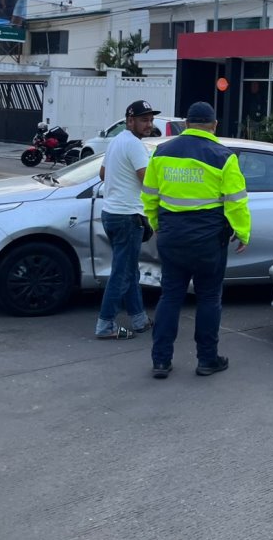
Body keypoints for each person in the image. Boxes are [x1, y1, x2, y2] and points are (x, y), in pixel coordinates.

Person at [142, 101, 250, 379]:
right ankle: (207, 359)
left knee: (170, 296)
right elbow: (236, 202)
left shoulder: (161, 153)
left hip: (171, 236)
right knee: (209, 298)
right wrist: (243, 232)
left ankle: (161, 361)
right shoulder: (223, 156)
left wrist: (157, 225)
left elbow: (149, 196)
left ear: (186, 124)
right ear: (214, 125)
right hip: (208, 241)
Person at [94, 100, 157, 340]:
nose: (148, 124)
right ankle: (105, 324)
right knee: (122, 273)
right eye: (143, 120)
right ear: (130, 120)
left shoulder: (116, 142)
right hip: (128, 217)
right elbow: (147, 181)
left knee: (129, 270)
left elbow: (102, 173)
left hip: (111, 214)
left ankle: (139, 319)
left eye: (150, 120)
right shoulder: (134, 145)